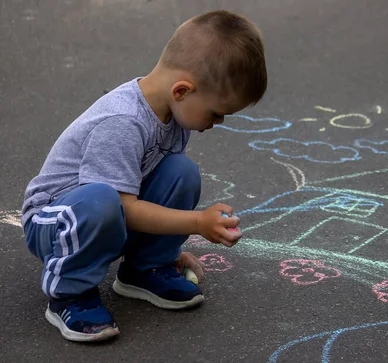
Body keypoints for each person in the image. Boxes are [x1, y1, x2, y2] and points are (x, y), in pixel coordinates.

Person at [20, 9, 267, 342]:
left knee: (182, 172)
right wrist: (195, 223)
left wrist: (167, 249)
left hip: (106, 213)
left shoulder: (174, 114)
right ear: (182, 90)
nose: (218, 121)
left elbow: (141, 196)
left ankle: (145, 268)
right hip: (56, 222)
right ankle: (69, 293)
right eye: (216, 112)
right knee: (103, 198)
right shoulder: (122, 122)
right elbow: (125, 207)